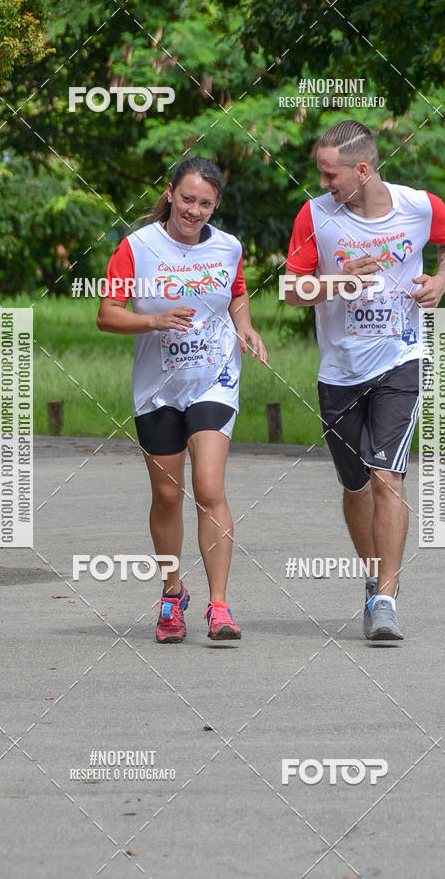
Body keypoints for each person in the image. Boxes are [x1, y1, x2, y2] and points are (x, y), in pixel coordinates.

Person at [284, 120, 445, 640]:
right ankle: (372, 577)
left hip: (400, 359)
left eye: (331, 174)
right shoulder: (315, 216)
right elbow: (292, 291)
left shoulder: (419, 206)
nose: (323, 183)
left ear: (362, 170)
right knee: (355, 483)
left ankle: (385, 598)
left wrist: (442, 280)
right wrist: (338, 281)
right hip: (340, 370)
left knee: (386, 474)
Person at [97, 157, 267, 644]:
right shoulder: (137, 247)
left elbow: (236, 292)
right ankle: (172, 593)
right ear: (170, 192)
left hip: (214, 379)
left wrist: (245, 325)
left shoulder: (228, 247)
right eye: (188, 199)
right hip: (158, 388)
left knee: (209, 488)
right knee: (168, 495)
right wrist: (154, 320)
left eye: (205, 204)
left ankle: (220, 606)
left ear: (216, 205)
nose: (194, 211)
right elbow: (107, 314)